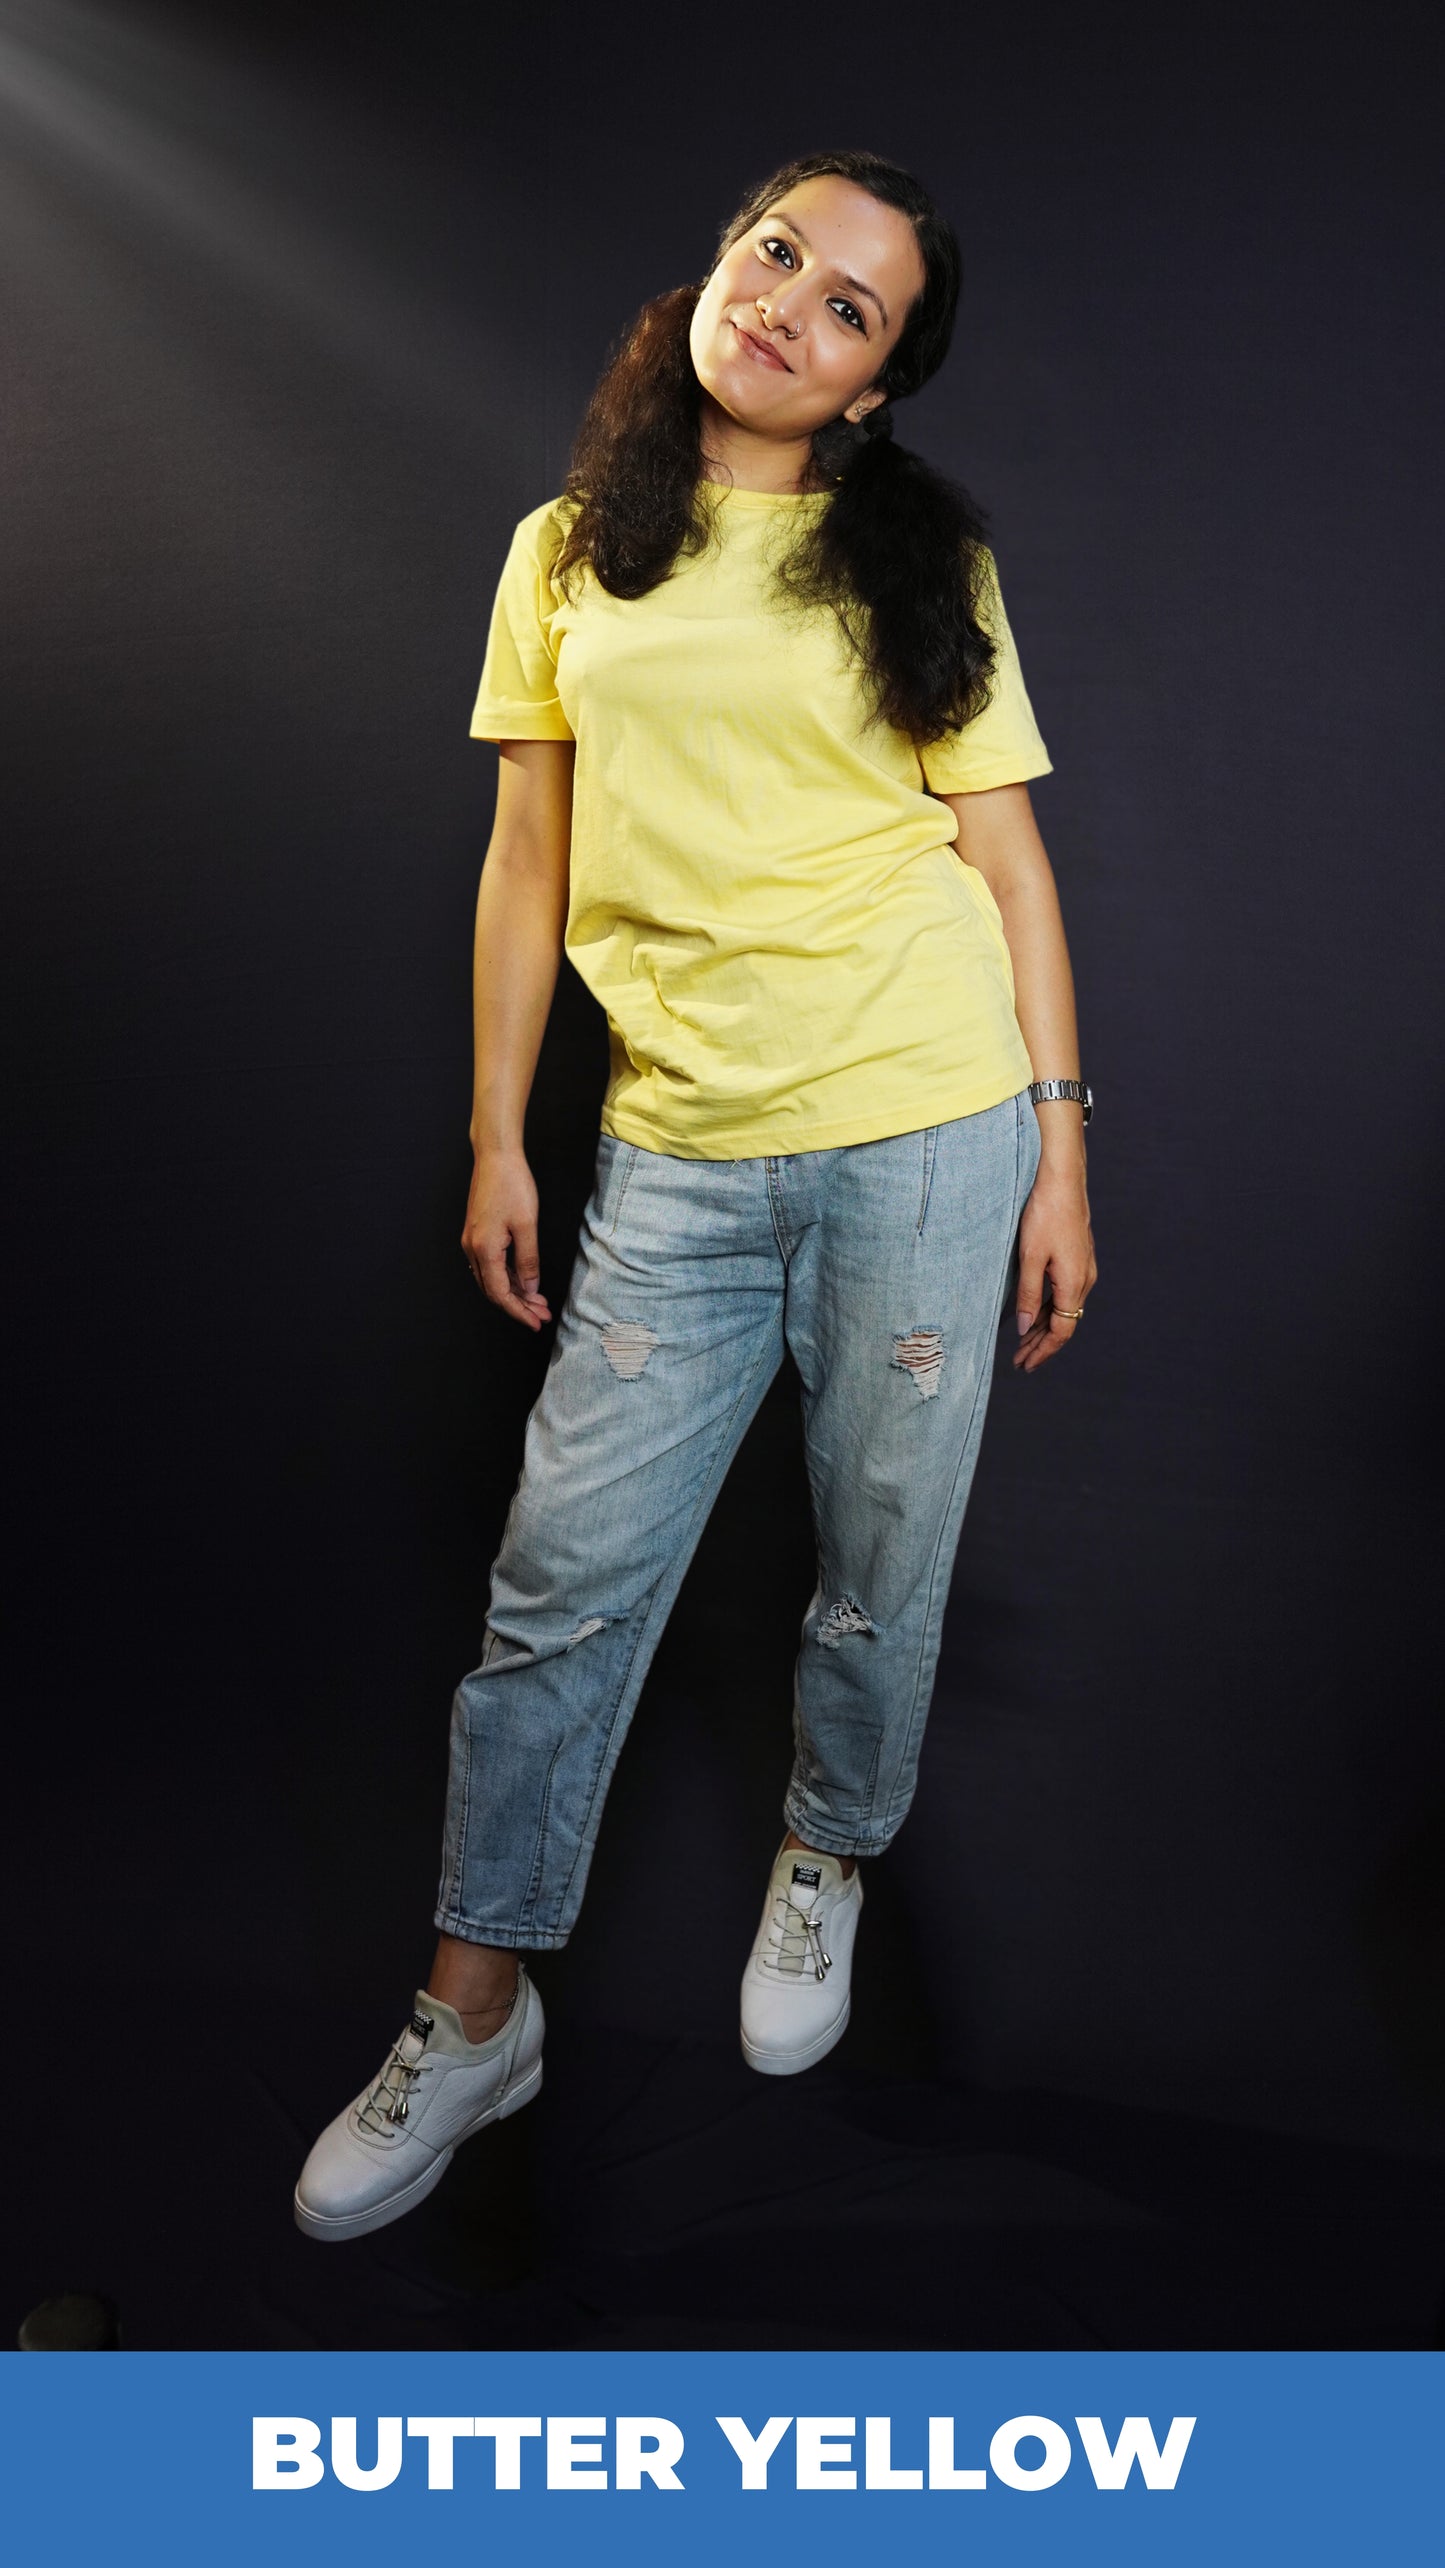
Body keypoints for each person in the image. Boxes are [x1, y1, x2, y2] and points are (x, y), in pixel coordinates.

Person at [294, 148, 1097, 2243]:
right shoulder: (564, 554)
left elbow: (1005, 865)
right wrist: (497, 1128)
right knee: (560, 1585)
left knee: (880, 1546)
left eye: (851, 309)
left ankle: (828, 1846)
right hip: (672, 1145)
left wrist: (1064, 1149)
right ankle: (474, 2019)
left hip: (929, 1119)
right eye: (778, 257)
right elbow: (526, 860)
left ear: (871, 389)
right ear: (715, 270)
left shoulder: (920, 566)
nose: (792, 305)